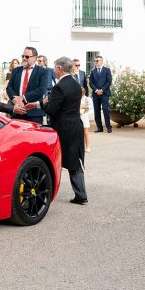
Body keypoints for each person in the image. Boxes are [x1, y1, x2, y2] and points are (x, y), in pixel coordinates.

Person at [42, 57, 87, 205]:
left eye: (55, 68)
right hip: (76, 124)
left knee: (56, 160)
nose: (54, 70)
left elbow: (52, 110)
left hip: (63, 127)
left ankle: (47, 192)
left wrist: (45, 103)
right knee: (75, 160)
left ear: (60, 69)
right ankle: (81, 194)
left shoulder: (59, 87)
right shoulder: (75, 84)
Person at [6, 46, 49, 124]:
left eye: (27, 56)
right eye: (23, 56)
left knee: (33, 136)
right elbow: (9, 87)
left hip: (34, 115)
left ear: (35, 58)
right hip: (17, 112)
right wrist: (15, 100)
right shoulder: (16, 70)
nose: (24, 58)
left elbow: (41, 89)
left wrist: (23, 98)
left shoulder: (42, 72)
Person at [89, 55, 113, 133]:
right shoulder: (93, 71)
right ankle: (99, 127)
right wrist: (96, 90)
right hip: (96, 94)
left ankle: (108, 127)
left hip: (104, 93)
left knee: (105, 110)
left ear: (102, 61)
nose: (96, 62)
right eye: (95, 61)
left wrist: (102, 90)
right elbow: (91, 83)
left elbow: (109, 82)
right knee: (97, 111)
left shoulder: (107, 70)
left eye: (98, 60)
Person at [80, 87, 93, 152]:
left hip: (85, 116)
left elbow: (91, 106)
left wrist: (83, 106)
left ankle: (87, 147)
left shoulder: (87, 98)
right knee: (79, 133)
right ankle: (80, 148)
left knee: (86, 132)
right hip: (78, 116)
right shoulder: (76, 99)